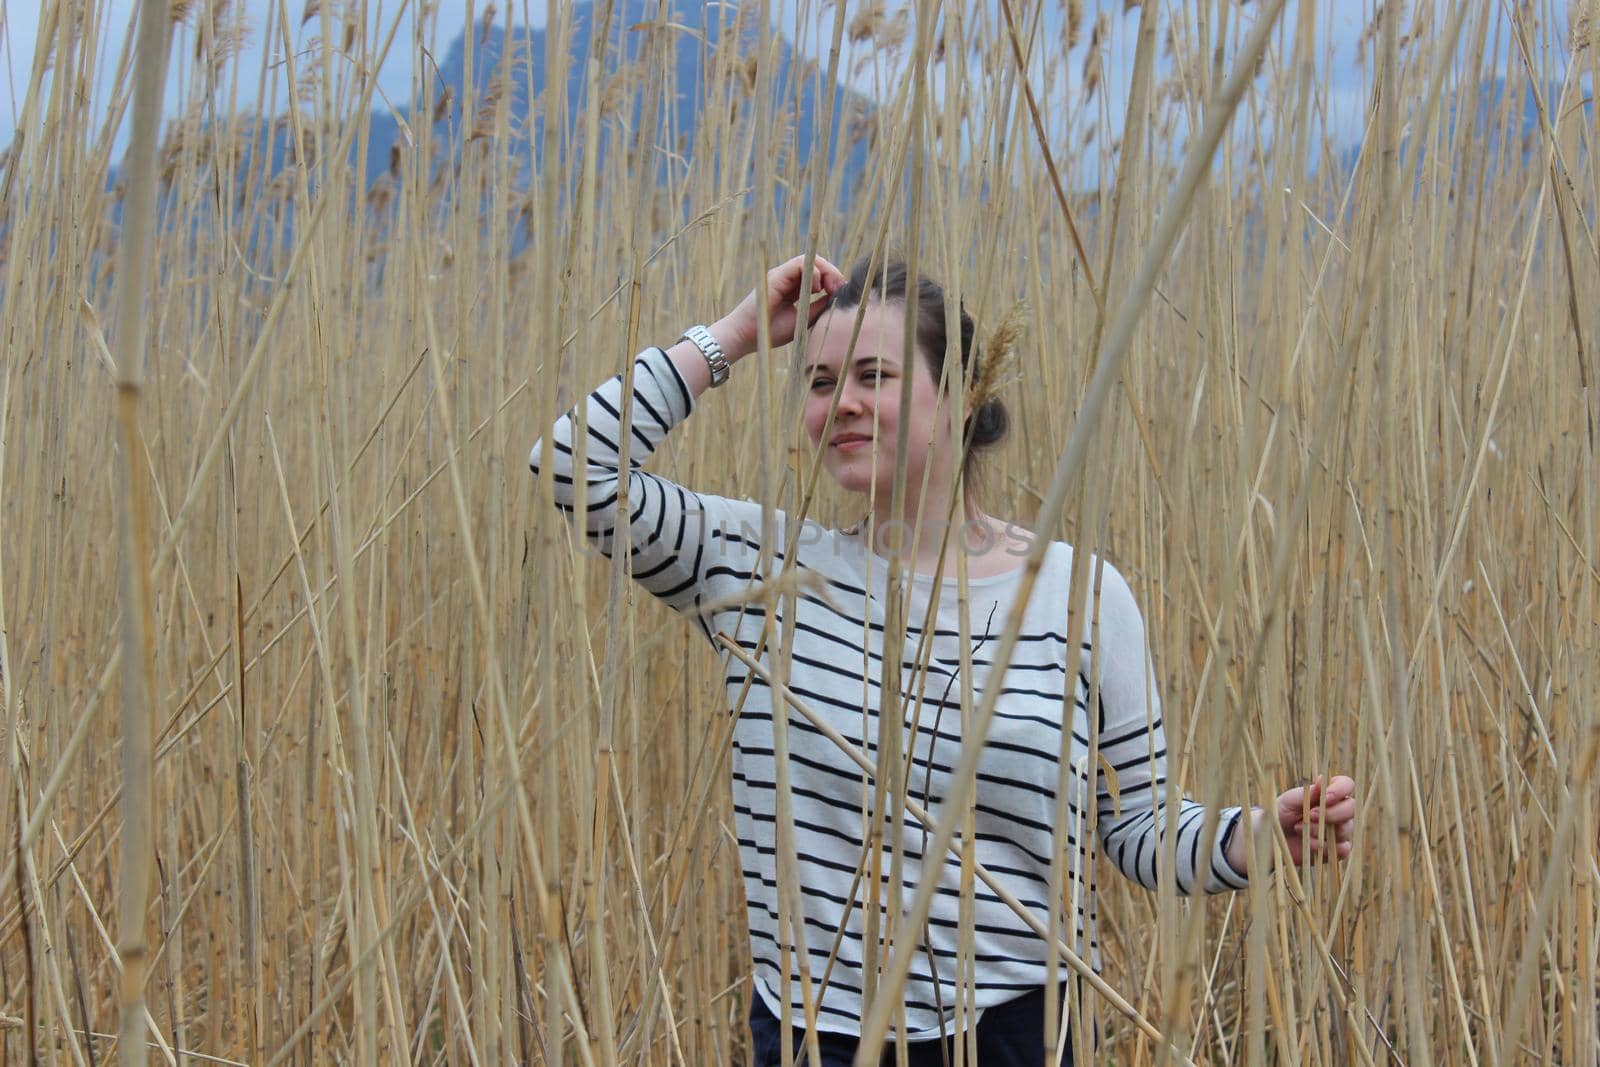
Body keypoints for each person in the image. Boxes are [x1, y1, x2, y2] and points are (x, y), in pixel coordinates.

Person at [529, 254, 1358, 1065]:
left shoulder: (1080, 594)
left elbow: (1138, 829)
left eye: (874, 377)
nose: (842, 405)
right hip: (815, 1029)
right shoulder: (758, 569)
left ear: (961, 397)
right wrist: (736, 335)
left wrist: (1258, 836)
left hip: (1014, 1029)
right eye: (821, 385)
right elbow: (571, 465)